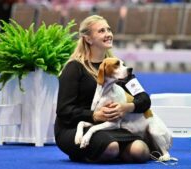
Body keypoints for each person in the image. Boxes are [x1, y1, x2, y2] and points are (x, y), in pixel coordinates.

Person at [55, 15, 160, 163]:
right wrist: (94, 115)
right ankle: (90, 152)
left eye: (109, 30)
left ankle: (104, 153)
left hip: (109, 127)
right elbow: (64, 110)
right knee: (111, 147)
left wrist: (126, 107)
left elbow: (144, 99)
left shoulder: (118, 66)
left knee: (140, 151)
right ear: (88, 39)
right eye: (101, 31)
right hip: (74, 128)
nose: (108, 34)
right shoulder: (74, 68)